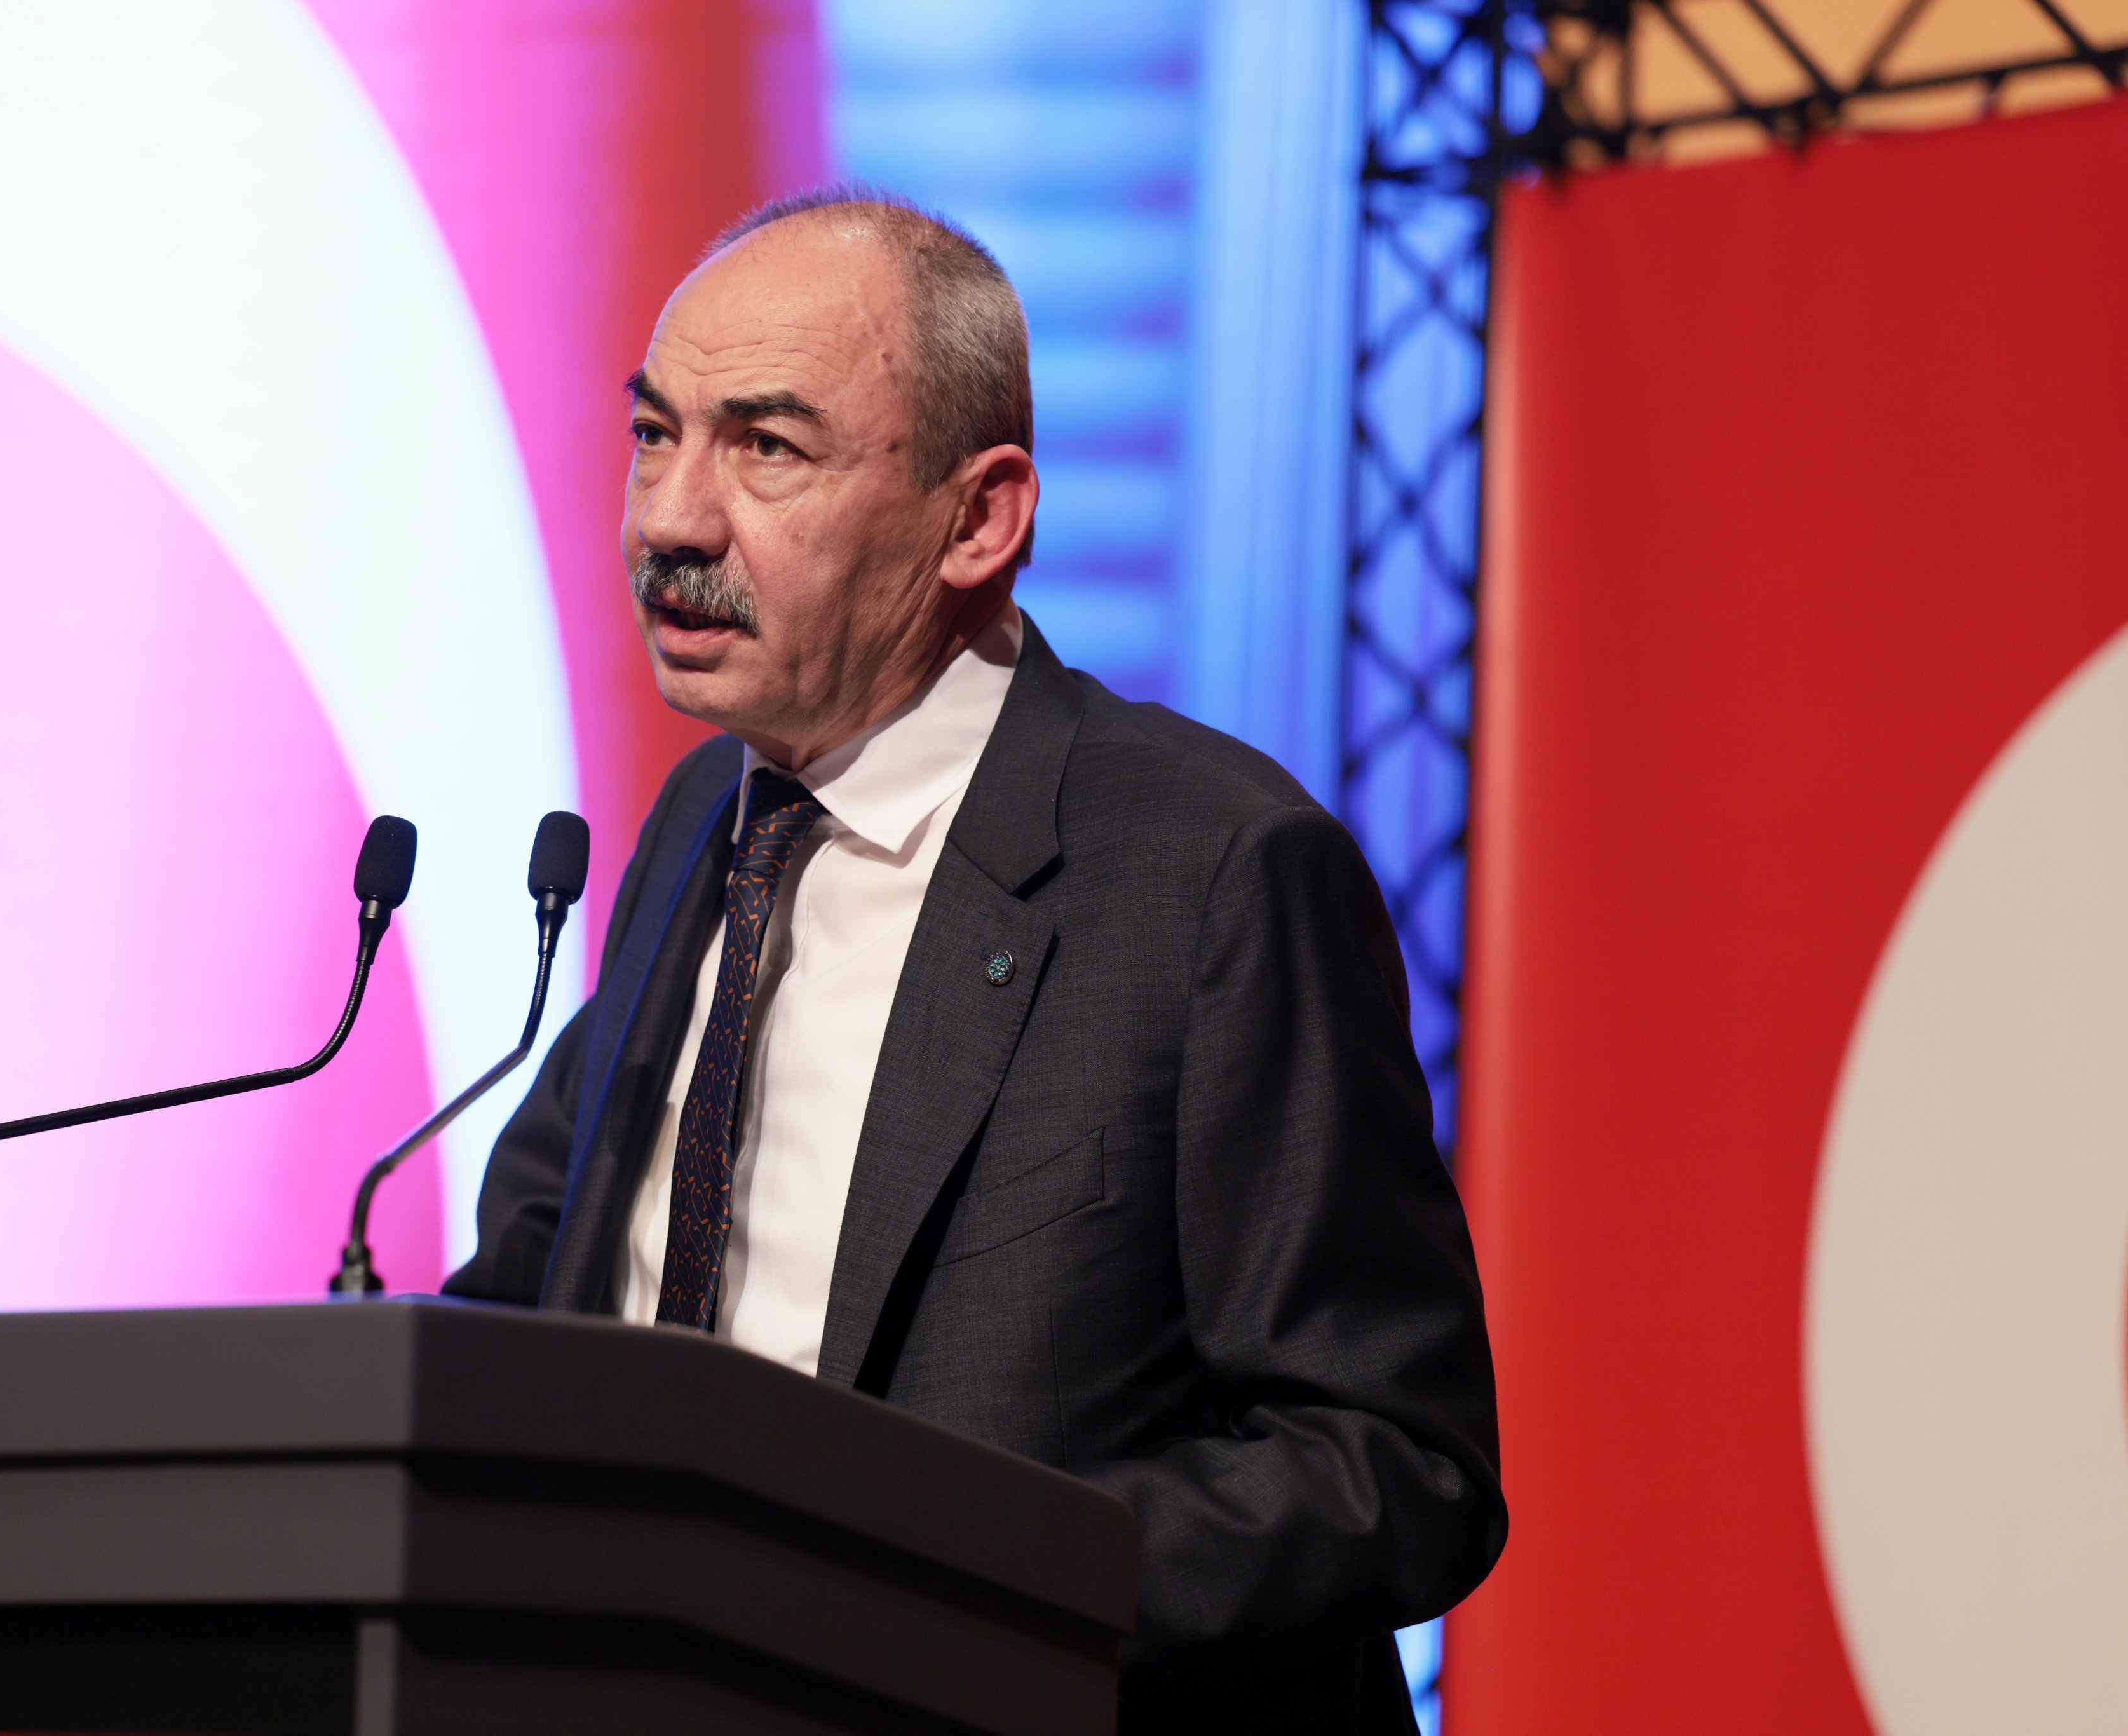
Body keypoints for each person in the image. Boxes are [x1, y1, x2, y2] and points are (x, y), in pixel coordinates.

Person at [446, 186, 1504, 1730]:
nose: (670, 518)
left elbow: (1390, 1465)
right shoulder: (699, 822)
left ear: (978, 520)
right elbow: (542, 1292)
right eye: (653, 434)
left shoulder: (1211, 873)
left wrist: (945, 1578)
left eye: (765, 447)